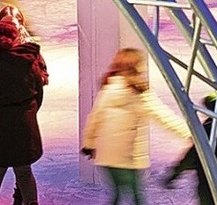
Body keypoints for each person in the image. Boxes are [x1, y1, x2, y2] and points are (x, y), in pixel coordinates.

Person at [82, 48, 192, 205]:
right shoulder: (138, 93)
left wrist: (89, 144)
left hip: (106, 157)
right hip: (126, 158)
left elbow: (95, 119)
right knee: (136, 197)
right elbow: (163, 116)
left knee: (118, 194)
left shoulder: (108, 89)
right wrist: (190, 133)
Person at [0, 18, 48, 205]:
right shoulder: (28, 62)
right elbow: (38, 93)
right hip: (23, 125)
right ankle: (30, 202)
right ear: (15, 38)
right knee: (24, 171)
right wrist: (28, 111)